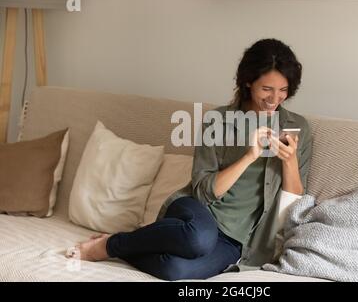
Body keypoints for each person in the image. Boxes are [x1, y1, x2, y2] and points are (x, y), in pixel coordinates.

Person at [66, 38, 312, 281]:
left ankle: (123, 245)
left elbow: (293, 204)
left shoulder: (296, 126)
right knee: (198, 239)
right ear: (248, 82)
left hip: (239, 241)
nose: (274, 99)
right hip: (198, 213)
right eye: (266, 89)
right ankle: (110, 245)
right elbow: (204, 191)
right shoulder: (218, 121)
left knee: (175, 271)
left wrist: (289, 161)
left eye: (283, 91)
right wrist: (248, 157)